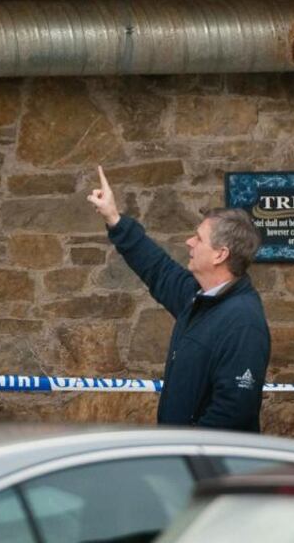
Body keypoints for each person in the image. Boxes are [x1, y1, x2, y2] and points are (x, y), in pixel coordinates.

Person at [87, 166, 270, 431]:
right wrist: (114, 218)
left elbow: (233, 411)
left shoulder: (243, 322)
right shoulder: (198, 298)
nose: (188, 242)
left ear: (220, 254)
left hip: (207, 467)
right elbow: (157, 268)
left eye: (198, 238)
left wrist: (184, 456)